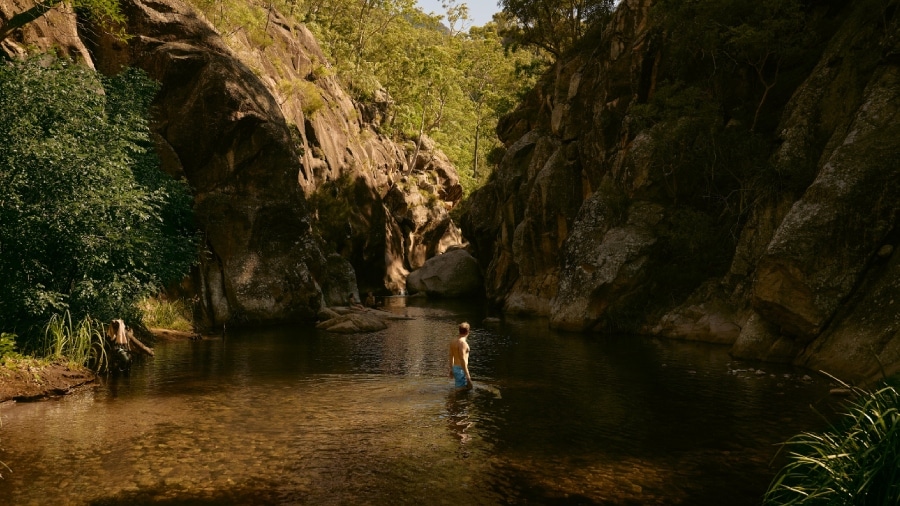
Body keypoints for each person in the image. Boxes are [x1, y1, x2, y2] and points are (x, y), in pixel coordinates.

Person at [448, 322, 473, 390]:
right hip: (461, 369)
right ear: (468, 331)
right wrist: (468, 376)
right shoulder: (462, 343)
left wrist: (451, 369)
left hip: (455, 368)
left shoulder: (453, 341)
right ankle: (452, 396)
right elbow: (462, 359)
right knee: (460, 390)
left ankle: (453, 396)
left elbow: (451, 356)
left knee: (460, 389)